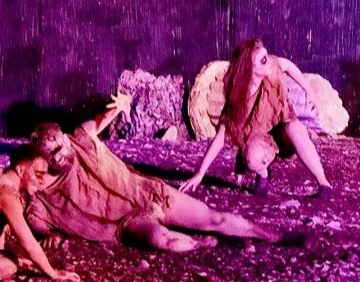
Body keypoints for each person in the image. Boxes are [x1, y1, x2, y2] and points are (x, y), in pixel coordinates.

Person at [27, 91, 304, 252]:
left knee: (214, 217)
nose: (59, 156)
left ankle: (272, 235)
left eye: (59, 147)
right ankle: (208, 244)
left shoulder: (80, 139)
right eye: (51, 155)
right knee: (164, 241)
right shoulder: (44, 189)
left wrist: (117, 107)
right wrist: (51, 236)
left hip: (148, 193)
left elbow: (99, 120)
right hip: (127, 221)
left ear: (64, 138)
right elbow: (35, 217)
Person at [181, 39, 335, 199]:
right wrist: (200, 173)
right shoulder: (238, 100)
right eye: (262, 60)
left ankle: (324, 184)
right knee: (252, 157)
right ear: (250, 70)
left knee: (294, 129)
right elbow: (220, 138)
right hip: (260, 140)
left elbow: (288, 66)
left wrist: (309, 91)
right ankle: (264, 174)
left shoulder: (271, 69)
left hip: (284, 128)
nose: (268, 61)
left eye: (266, 56)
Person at [0, 146, 80, 282]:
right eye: (38, 174)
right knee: (10, 261)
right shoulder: (7, 194)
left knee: (7, 258)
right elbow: (28, 244)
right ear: (20, 170)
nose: (42, 181)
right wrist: (53, 273)